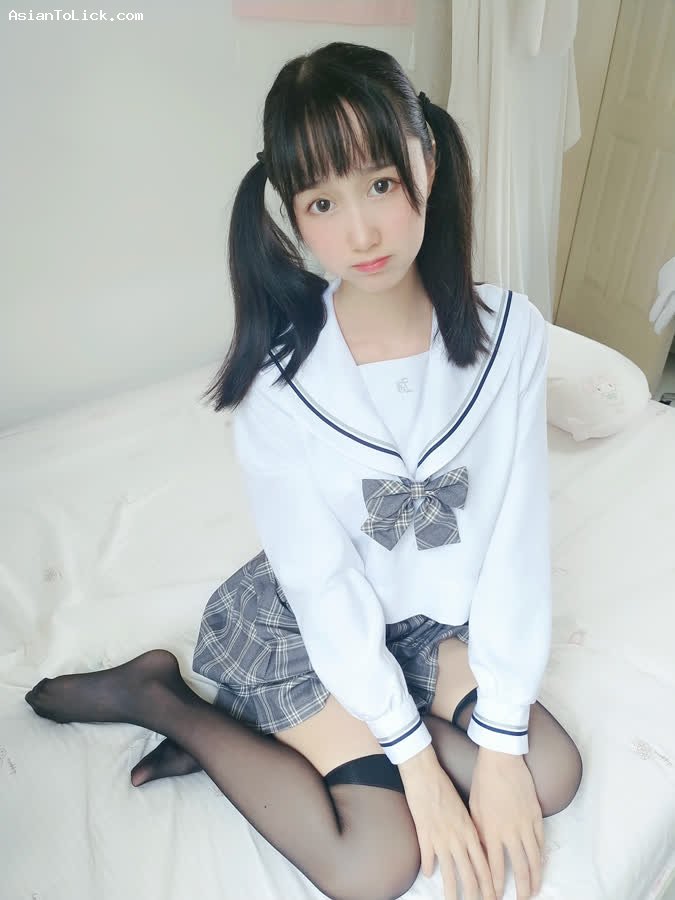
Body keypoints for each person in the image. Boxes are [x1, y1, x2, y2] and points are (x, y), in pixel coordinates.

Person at [25, 41, 582, 900]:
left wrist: (501, 751)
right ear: (290, 211)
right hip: (308, 622)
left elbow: (515, 536)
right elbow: (321, 584)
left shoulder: (510, 336)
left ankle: (313, 733)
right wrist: (415, 764)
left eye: (381, 184)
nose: (360, 233)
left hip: (426, 622)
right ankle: (164, 698)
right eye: (322, 202)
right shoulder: (279, 384)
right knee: (377, 864)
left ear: (427, 163)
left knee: (548, 774)